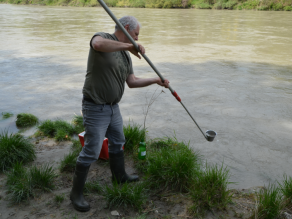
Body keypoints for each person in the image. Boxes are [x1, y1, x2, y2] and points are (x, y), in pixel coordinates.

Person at [70, 16, 169, 212]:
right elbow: (97, 44)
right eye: (136, 34)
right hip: (95, 106)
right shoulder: (103, 37)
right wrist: (128, 46)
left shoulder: (126, 55)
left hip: (113, 107)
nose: (137, 38)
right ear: (126, 28)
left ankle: (119, 176)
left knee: (118, 141)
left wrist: (155, 79)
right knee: (92, 149)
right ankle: (76, 194)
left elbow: (131, 82)